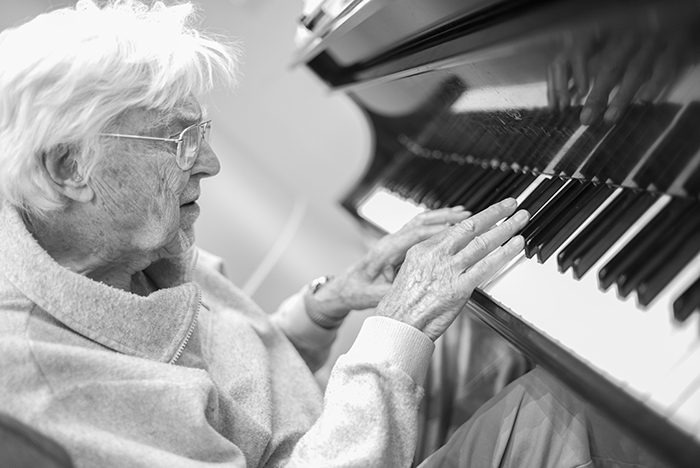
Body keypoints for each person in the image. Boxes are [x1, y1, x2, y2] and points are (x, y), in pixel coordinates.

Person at [0, 1, 671, 467]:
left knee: (491, 307)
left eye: (200, 131)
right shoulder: (55, 394)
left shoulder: (122, 243)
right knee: (599, 400)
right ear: (69, 169)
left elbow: (228, 388)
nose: (209, 163)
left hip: (328, 425)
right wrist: (399, 325)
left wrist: (326, 303)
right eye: (179, 142)